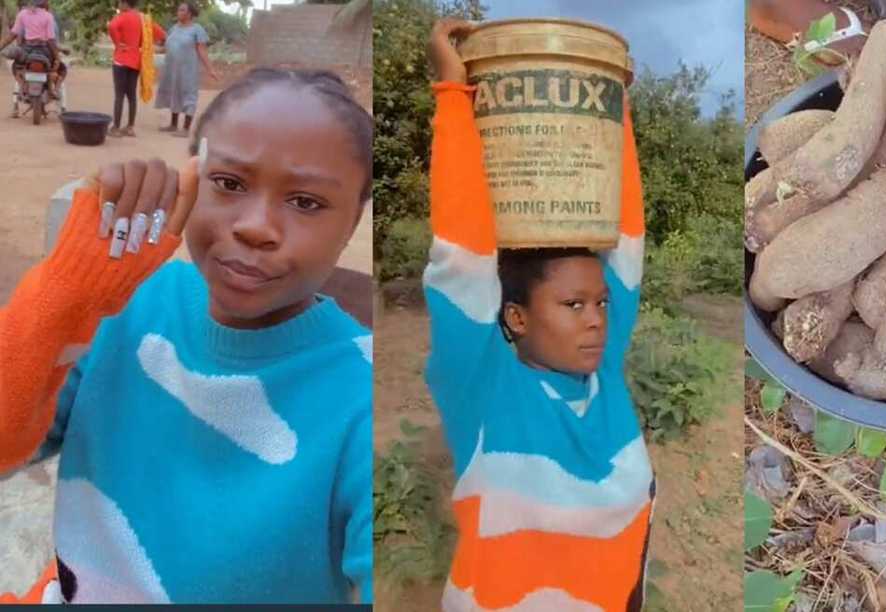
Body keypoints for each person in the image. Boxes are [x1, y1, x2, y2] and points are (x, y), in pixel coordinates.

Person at [0, 67, 374, 604]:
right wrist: (62, 297)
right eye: (229, 183)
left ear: (352, 226)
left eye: (306, 202)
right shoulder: (127, 302)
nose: (255, 226)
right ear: (190, 181)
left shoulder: (360, 400)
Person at [423, 19, 654, 611]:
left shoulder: (606, 383)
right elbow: (464, 259)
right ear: (517, 317)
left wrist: (611, 103)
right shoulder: (484, 395)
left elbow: (624, 240)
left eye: (600, 303)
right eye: (573, 305)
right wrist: (452, 97)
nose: (597, 319)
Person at [156, 2, 218, 137]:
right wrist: (151, 51)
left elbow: (202, 51)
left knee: (189, 96)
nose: (179, 12)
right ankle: (173, 125)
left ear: (190, 14)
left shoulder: (197, 29)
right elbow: (168, 47)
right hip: (172, 69)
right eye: (179, 10)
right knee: (174, 93)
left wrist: (210, 69)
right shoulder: (174, 28)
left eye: (182, 10)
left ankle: (185, 129)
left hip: (188, 70)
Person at [107, 0, 166, 137]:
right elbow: (162, 34)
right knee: (131, 95)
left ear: (125, 3)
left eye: (119, 3)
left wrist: (118, 43)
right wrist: (151, 45)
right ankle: (130, 127)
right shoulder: (144, 18)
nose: (119, 6)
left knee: (119, 95)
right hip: (136, 60)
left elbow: (112, 27)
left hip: (121, 59)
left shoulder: (121, 16)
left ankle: (116, 128)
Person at [0, 0, 63, 118]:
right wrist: (57, 58)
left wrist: (1, 46)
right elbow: (50, 39)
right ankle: (53, 90)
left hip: (27, 51)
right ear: (44, 4)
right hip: (44, 50)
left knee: (15, 66)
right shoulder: (48, 16)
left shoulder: (22, 14)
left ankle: (22, 85)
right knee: (60, 68)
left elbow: (13, 35)